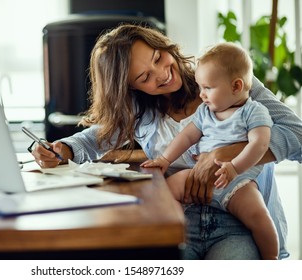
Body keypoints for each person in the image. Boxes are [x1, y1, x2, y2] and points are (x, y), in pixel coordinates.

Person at [31, 24, 302, 259]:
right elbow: (95, 138)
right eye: (145, 77)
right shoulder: (141, 111)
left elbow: (298, 135)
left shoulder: (225, 76)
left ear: (164, 46)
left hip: (240, 221)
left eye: (158, 58)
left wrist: (227, 153)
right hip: (181, 221)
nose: (162, 74)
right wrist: (62, 149)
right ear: (131, 88)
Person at [141, 42, 278, 259]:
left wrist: (234, 167)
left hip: (237, 182)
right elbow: (187, 136)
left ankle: (271, 258)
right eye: (200, 87)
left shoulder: (253, 111)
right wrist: (165, 159)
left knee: (258, 215)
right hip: (199, 175)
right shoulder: (205, 112)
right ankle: (178, 234)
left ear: (236, 86)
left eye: (208, 88)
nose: (201, 94)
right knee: (167, 189)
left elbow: (259, 145)